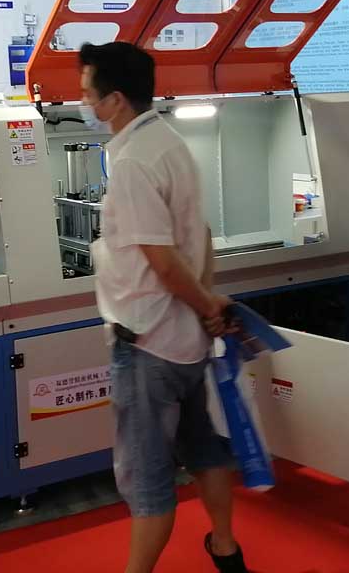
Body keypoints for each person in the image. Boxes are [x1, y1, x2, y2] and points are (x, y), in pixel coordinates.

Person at [79, 42, 248, 573]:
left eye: (87, 95)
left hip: (147, 342)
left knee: (147, 477)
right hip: (187, 341)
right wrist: (207, 307)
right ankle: (226, 547)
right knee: (204, 449)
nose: (83, 104)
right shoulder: (170, 142)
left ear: (115, 100)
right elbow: (201, 234)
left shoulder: (133, 162)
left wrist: (204, 302)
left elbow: (165, 262)